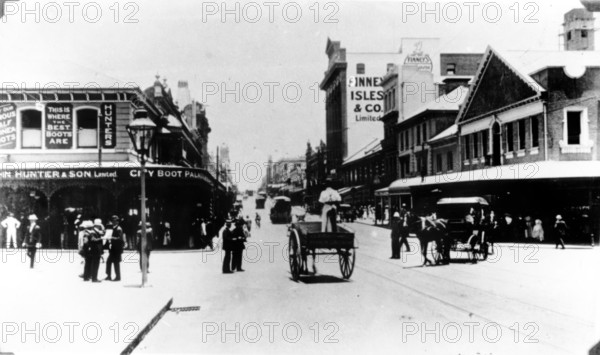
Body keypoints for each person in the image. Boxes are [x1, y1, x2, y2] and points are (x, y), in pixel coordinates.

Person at [105, 215, 125, 281]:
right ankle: (109, 276)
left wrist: (112, 238)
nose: (113, 222)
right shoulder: (113, 228)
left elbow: (120, 238)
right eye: (113, 221)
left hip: (117, 248)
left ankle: (118, 277)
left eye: (115, 221)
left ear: (117, 222)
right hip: (113, 248)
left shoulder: (119, 229)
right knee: (109, 261)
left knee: (116, 263)